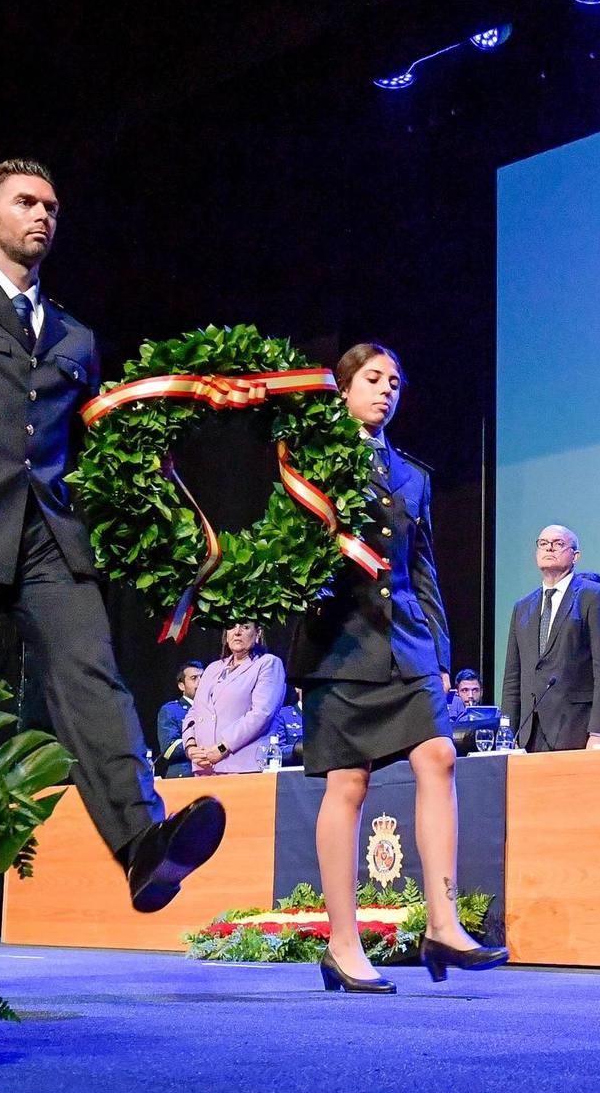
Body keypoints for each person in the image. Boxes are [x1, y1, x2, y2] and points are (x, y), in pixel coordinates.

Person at [0, 158, 224, 914]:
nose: (42, 215)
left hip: (49, 535)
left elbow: (95, 449)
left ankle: (142, 842)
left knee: (92, 672)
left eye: (51, 205)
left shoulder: (77, 336)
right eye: (26, 202)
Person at [289, 343, 506, 993]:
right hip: (340, 644)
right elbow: (289, 555)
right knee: (348, 784)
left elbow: (425, 569)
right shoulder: (313, 461)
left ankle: (443, 921)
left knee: (438, 754)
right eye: (373, 379)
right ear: (345, 388)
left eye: (394, 382)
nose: (386, 390)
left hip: (406, 638)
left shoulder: (413, 475)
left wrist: (439, 653)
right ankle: (344, 944)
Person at [501, 525, 600, 751]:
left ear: (575, 556)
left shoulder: (595, 596)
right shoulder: (522, 607)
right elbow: (513, 678)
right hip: (529, 733)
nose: (549, 548)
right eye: (543, 543)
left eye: (558, 543)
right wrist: (507, 733)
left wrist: (599, 731)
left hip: (577, 729)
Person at [183, 624, 286, 774]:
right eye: (232, 627)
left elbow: (261, 714)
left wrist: (223, 748)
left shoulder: (267, 663)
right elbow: (194, 711)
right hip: (204, 768)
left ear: (257, 633)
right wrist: (191, 747)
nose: (237, 632)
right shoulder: (213, 668)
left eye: (245, 627)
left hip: (245, 767)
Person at [155, 662, 204, 778]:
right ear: (181, 686)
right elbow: (169, 749)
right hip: (185, 776)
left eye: (203, 677)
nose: (201, 682)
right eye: (194, 678)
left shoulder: (214, 708)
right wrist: (203, 741)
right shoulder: (171, 710)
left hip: (212, 774)